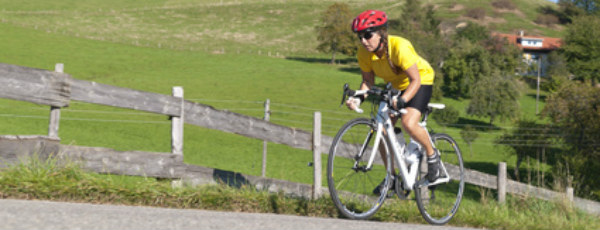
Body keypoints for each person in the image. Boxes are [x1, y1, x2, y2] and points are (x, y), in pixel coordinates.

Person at [345, 9, 440, 194]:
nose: (363, 41)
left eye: (367, 35)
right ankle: (392, 177)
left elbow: (416, 80)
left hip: (420, 80)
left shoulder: (399, 47)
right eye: (360, 37)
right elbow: (368, 82)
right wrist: (357, 99)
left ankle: (432, 155)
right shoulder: (364, 53)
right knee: (380, 130)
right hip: (396, 85)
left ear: (381, 33)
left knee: (408, 123)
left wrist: (403, 100)